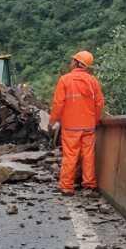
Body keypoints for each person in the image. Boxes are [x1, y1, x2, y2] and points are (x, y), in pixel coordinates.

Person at [49, 50, 105, 197]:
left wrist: (53, 120)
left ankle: (67, 187)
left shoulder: (65, 80)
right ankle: (89, 185)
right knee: (88, 155)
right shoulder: (93, 81)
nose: (71, 62)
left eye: (73, 60)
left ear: (76, 63)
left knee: (70, 155)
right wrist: (95, 121)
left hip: (71, 126)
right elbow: (99, 104)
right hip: (88, 126)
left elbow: (58, 103)